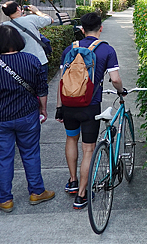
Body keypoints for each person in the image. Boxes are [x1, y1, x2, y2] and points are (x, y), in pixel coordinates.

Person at [0, 25, 55, 213]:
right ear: (19, 41)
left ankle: (5, 199)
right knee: (31, 153)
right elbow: (42, 88)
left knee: (3, 158)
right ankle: (37, 192)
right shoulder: (31, 61)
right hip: (27, 116)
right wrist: (43, 109)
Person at [55, 12, 124, 209]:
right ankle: (82, 195)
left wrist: (59, 107)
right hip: (90, 106)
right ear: (100, 28)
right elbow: (116, 79)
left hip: (68, 105)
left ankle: (72, 181)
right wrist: (121, 91)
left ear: (82, 29)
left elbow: (62, 80)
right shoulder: (107, 50)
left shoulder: (70, 48)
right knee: (88, 149)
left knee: (71, 139)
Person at [2, 1, 53, 83]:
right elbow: (50, 20)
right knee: (41, 89)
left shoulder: (5, 26)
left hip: (19, 64)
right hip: (39, 61)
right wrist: (37, 11)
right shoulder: (31, 19)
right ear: (18, 9)